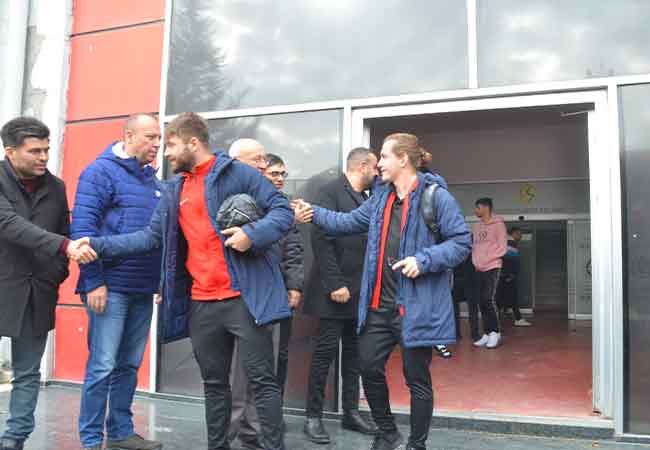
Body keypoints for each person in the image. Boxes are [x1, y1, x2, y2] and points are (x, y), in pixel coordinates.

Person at [80, 113, 293, 450]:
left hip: (245, 298)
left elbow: (282, 210)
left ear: (193, 143)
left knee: (262, 382)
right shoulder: (174, 189)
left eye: (171, 144)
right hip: (202, 304)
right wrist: (96, 244)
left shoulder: (238, 173)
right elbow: (149, 237)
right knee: (214, 385)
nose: (165, 152)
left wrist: (251, 234)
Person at [294, 133, 471, 450]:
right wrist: (313, 212)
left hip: (414, 308)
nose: (379, 165)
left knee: (417, 379)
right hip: (378, 307)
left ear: (403, 159)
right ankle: (388, 433)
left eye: (385, 157)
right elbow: (346, 221)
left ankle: (416, 444)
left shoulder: (436, 197)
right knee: (368, 368)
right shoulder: (380, 199)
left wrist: (424, 260)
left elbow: (461, 242)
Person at [0, 117, 94, 450]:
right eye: (35, 151)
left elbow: (64, 229)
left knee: (27, 373)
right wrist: (64, 248)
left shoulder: (55, 187)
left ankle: (14, 438)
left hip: (37, 291)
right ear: (10, 151)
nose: (43, 157)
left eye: (46, 150)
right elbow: (8, 224)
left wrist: (56, 274)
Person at [71, 114, 164, 450]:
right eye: (150, 137)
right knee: (102, 365)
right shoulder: (99, 172)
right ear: (128, 136)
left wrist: (160, 280)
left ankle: (121, 433)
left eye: (159, 138)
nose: (156, 144)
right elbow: (83, 232)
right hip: (109, 288)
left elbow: (158, 237)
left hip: (142, 288)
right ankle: (91, 439)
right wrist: (94, 282)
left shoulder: (153, 181)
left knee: (128, 365)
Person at [302, 147, 378, 444]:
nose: (377, 173)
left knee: (354, 355)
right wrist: (335, 284)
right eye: (375, 167)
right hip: (334, 292)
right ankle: (313, 417)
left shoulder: (365, 198)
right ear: (362, 166)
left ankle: (351, 412)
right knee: (324, 355)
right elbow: (321, 239)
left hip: (358, 292)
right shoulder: (330, 191)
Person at [226, 138, 277, 450]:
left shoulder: (269, 197)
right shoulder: (226, 197)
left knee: (259, 371)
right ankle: (227, 433)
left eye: (264, 159)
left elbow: (285, 244)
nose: (263, 164)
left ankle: (253, 432)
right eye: (256, 159)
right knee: (232, 372)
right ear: (236, 162)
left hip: (264, 294)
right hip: (231, 295)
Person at [263, 153, 304, 409]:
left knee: (282, 353)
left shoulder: (287, 206)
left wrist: (294, 286)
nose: (280, 179)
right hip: (256, 290)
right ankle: (254, 414)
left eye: (282, 174)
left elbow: (294, 250)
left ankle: (273, 410)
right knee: (257, 355)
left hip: (281, 290)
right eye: (274, 174)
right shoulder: (248, 202)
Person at [471, 198, 508, 349]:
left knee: (488, 299)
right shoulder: (477, 226)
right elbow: (474, 246)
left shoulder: (498, 224)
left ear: (486, 208)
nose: (475, 211)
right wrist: (476, 261)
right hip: (479, 268)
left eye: (477, 208)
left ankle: (495, 332)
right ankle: (487, 333)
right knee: (481, 301)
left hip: (493, 266)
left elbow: (503, 248)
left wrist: (487, 258)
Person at [499, 227, 532, 327]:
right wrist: (510, 275)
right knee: (512, 297)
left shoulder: (508, 243)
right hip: (508, 277)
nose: (521, 236)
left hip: (505, 276)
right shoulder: (510, 243)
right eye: (519, 234)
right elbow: (509, 261)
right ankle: (518, 319)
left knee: (504, 297)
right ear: (514, 233)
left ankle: (503, 317)